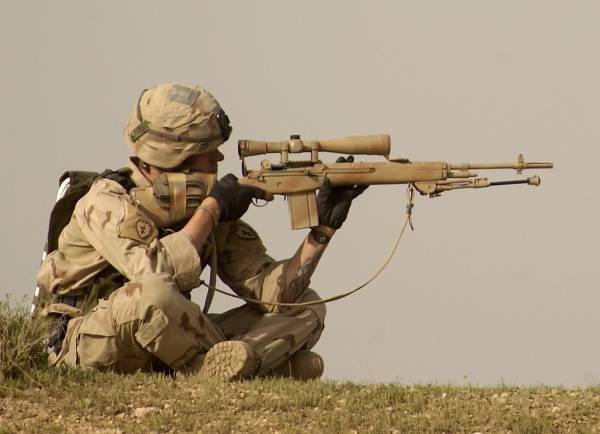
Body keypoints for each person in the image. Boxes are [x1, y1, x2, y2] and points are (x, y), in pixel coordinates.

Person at [35, 82, 366, 380]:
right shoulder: (104, 201)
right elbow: (154, 274)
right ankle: (250, 367)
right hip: (86, 341)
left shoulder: (201, 209)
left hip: (166, 343)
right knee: (152, 294)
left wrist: (321, 232)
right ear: (178, 156)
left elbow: (274, 295)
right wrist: (212, 209)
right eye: (209, 149)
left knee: (306, 305)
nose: (219, 156)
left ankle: (235, 363)